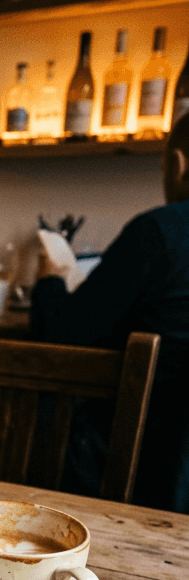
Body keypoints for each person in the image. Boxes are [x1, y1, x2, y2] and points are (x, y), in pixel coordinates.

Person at [31, 114, 189, 512]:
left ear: (178, 164)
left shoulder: (157, 233)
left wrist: (49, 281)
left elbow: (64, 333)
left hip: (140, 463)